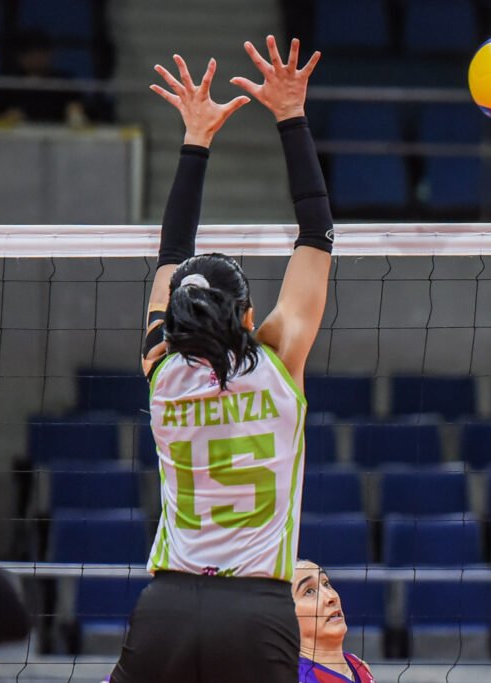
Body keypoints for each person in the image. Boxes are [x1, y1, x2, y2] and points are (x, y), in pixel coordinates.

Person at [108, 36, 332, 683]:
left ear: (173, 317)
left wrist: (194, 139)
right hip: (258, 608)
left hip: (168, 604)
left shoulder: (160, 368)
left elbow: (169, 251)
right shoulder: (281, 355)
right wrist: (291, 115)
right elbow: (317, 231)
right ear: (246, 316)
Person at [293, 560, 376, 683]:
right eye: (309, 591)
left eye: (326, 584)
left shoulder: (358, 664)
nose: (331, 597)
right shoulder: (298, 677)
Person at [0, 31, 89, 125]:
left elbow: (83, 113)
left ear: (51, 53)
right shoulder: (5, 82)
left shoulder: (64, 82)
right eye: (29, 52)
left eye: (41, 51)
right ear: (19, 56)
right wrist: (3, 119)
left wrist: (76, 115)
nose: (36, 57)